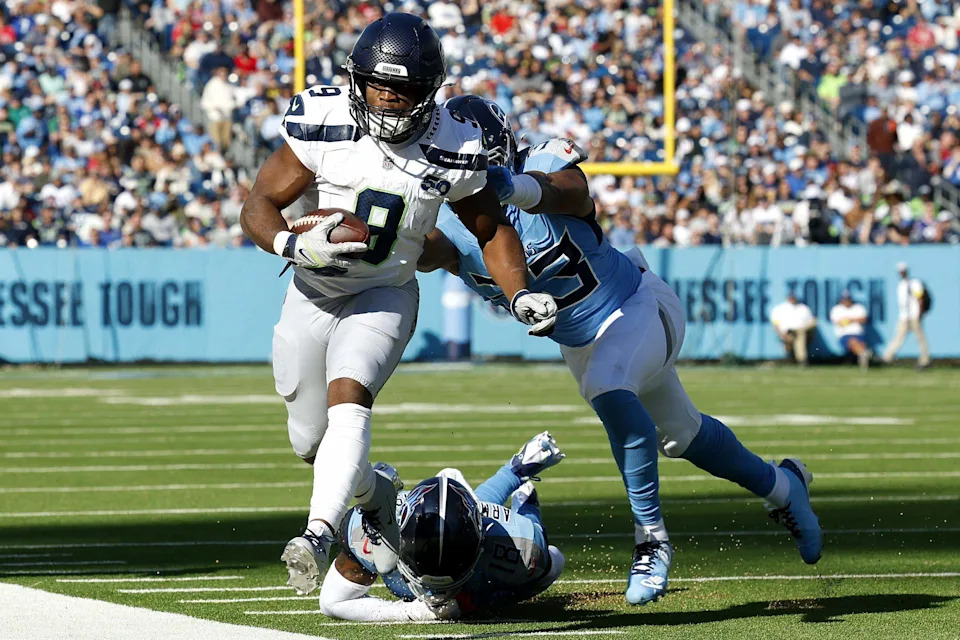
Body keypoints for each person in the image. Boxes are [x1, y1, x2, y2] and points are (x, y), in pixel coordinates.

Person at [418, 96, 822, 606]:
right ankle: (784, 488)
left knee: (612, 390)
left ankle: (651, 540)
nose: (459, 165)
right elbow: (424, 249)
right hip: (582, 343)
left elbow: (570, 190)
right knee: (683, 434)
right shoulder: (453, 224)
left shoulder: (538, 167)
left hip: (635, 304)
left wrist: (511, 187)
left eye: (466, 155)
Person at [239, 15, 558, 597]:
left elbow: (490, 228)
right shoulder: (323, 119)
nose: (387, 102)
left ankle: (316, 535)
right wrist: (291, 242)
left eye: (402, 90)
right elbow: (258, 202)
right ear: (357, 81)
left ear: (430, 91)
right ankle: (380, 496)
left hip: (385, 293)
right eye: (377, 87)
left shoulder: (455, 142)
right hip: (310, 290)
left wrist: (519, 291)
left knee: (350, 396)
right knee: (310, 441)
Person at [318, 432, 566, 621]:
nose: (436, 592)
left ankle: (523, 485)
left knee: (548, 558)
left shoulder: (518, 544)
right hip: (449, 524)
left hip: (488, 542)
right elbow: (332, 602)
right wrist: (410, 612)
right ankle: (516, 468)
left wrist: (485, 601)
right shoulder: (372, 527)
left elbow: (553, 564)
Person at [882, 262, 931, 368]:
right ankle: (887, 357)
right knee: (898, 336)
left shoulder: (914, 283)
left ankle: (925, 360)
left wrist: (920, 313)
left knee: (920, 338)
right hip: (904, 316)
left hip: (914, 315)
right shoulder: (901, 285)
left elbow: (920, 298)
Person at [770, 292, 817, 365]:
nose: (792, 299)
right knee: (795, 340)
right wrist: (781, 334)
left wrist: (810, 333)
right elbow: (776, 323)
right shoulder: (780, 308)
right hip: (787, 332)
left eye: (793, 298)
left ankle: (801, 360)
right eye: (791, 297)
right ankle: (795, 359)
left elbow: (811, 321)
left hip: (801, 331)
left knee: (800, 336)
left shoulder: (803, 308)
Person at [829, 291, 872, 369]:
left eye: (848, 299)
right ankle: (863, 354)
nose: (846, 301)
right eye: (844, 299)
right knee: (852, 341)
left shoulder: (858, 307)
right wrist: (852, 320)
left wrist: (850, 320)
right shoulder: (837, 309)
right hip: (844, 334)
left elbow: (864, 319)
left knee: (859, 343)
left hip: (859, 334)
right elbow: (839, 323)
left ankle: (863, 356)